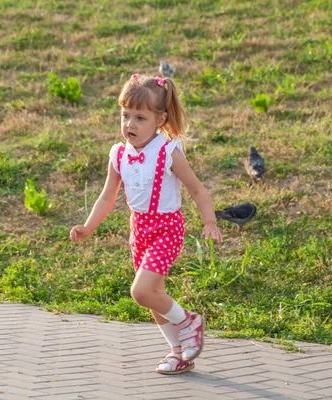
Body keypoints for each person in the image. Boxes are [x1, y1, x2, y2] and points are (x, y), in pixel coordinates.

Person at [70, 74, 222, 375]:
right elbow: (106, 197)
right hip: (138, 230)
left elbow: (196, 189)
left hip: (167, 229)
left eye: (140, 118)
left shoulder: (168, 152)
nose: (130, 124)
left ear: (160, 119)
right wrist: (88, 226)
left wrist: (210, 221)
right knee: (154, 297)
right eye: (126, 116)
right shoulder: (119, 154)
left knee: (140, 292)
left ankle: (189, 321)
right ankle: (178, 353)